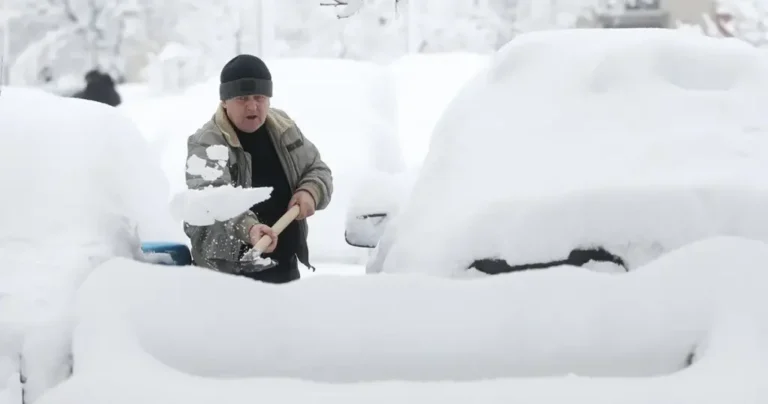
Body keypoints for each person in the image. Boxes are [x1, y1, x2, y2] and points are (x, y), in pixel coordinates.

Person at [183, 54, 333, 284]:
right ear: (224, 101)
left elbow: (317, 169)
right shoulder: (207, 144)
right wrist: (250, 229)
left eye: (259, 97)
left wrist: (311, 191)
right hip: (229, 276)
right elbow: (213, 202)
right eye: (242, 98)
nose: (252, 106)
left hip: (284, 270)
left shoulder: (283, 127)